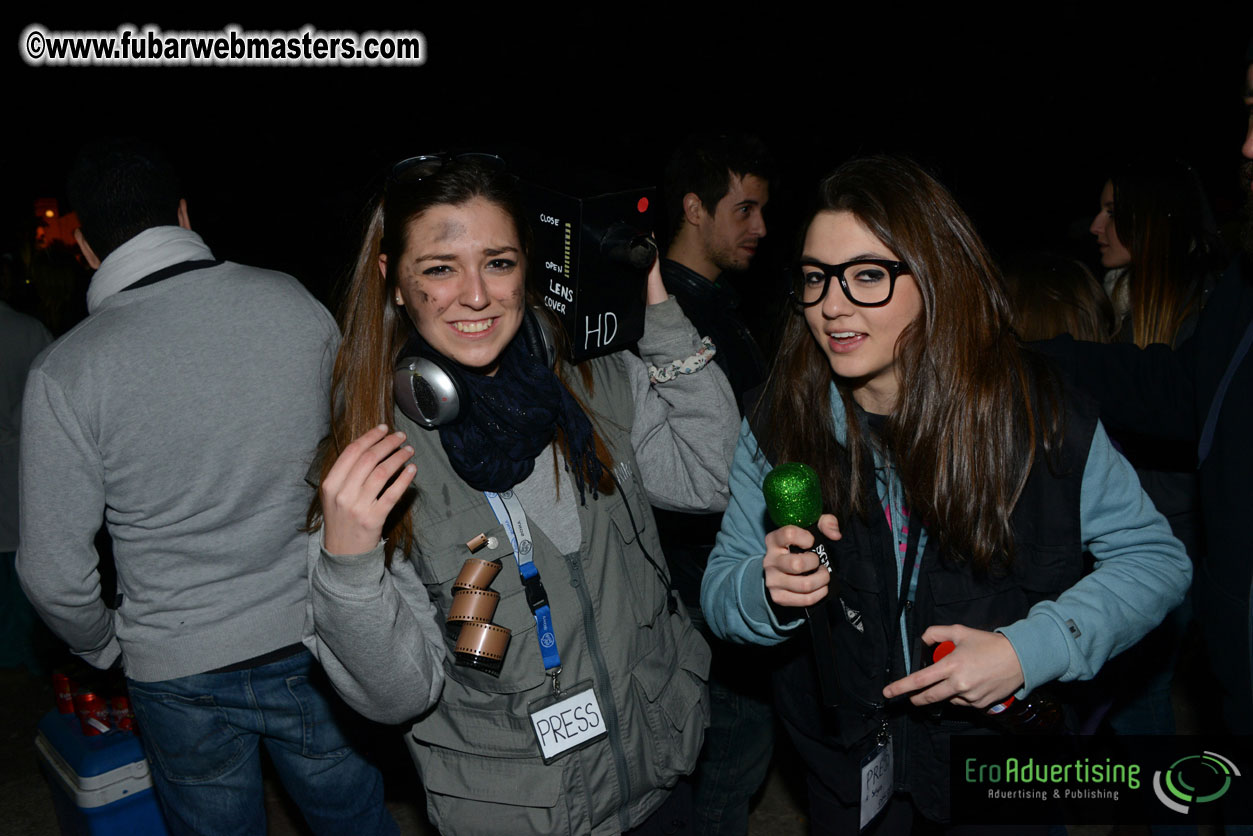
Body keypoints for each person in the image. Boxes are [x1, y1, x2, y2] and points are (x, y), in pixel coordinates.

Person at [701, 155, 1191, 833]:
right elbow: (720, 592)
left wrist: (1031, 649)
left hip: (995, 769)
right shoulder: (779, 420)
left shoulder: (1039, 417)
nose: (831, 304)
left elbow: (1156, 561)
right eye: (815, 278)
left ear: (935, 278)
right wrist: (764, 589)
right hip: (845, 766)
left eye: (867, 275)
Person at [304, 155, 738, 836]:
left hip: (658, 774)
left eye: (498, 263)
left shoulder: (592, 380)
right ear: (394, 282)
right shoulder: (371, 454)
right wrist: (349, 569)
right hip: (522, 814)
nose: (475, 295)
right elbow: (397, 696)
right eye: (440, 268)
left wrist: (652, 306)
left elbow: (708, 476)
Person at [16, 138, 396, 836]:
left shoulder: (67, 371)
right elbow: (356, 449)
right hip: (312, 636)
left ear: (90, 251)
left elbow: (50, 572)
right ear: (184, 216)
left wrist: (107, 646)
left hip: (175, 665)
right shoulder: (288, 300)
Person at [1039, 48, 1253, 736]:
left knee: (1143, 712)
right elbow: (1171, 391)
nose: (1096, 225)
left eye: (1113, 210)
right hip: (1213, 610)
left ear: (1153, 219)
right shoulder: (1214, 306)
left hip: (1177, 558)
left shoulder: (1206, 301)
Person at [656, 133, 774, 836]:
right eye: (744, 209)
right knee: (726, 755)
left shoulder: (718, 303)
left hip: (726, 564)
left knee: (736, 755)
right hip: (695, 577)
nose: (760, 227)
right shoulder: (662, 312)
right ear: (694, 208)